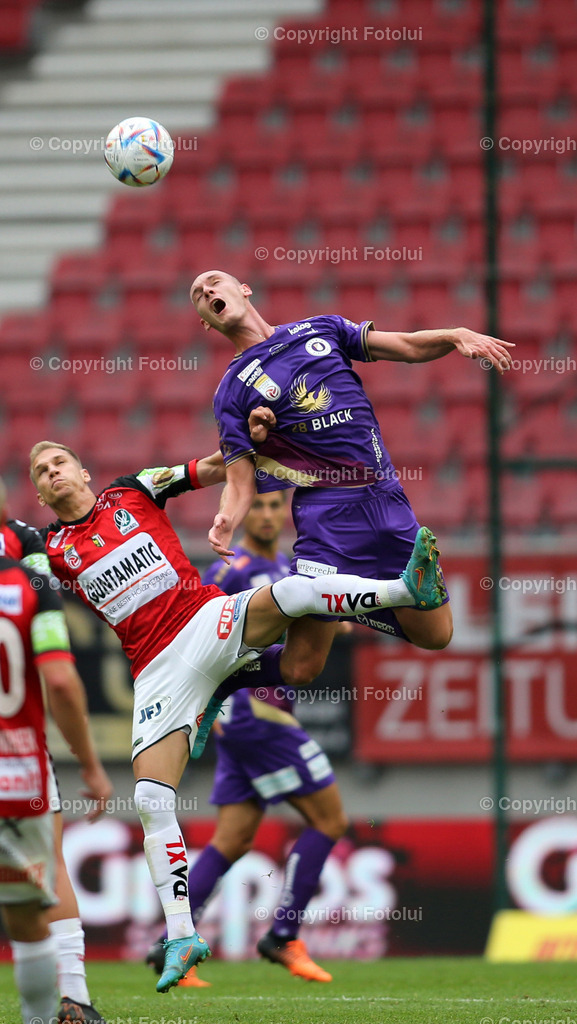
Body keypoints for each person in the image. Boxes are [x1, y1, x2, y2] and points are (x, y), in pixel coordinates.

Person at [29, 440, 445, 993]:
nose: (52, 472)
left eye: (59, 462)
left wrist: (252, 434)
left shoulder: (132, 490)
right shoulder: (52, 551)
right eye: (40, 471)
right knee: (151, 800)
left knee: (295, 593)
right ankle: (181, 936)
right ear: (38, 491)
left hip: (204, 620)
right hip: (156, 670)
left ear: (83, 470)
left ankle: (403, 590)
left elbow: (211, 468)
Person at [190, 269, 514, 688]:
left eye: (214, 281)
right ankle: (226, 679)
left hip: (386, 498)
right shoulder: (231, 391)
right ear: (206, 321)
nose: (208, 290)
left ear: (244, 289)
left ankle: (347, 601)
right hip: (327, 517)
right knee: (301, 669)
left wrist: (454, 335)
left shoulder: (320, 329)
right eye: (199, 294)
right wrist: (226, 520)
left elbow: (407, 346)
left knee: (436, 635)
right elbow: (239, 480)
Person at [146, 490, 347, 985]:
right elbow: (195, 635)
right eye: (257, 505)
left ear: (286, 512)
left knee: (232, 839)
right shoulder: (228, 571)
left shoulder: (287, 565)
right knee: (330, 820)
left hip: (250, 721)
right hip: (253, 715)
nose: (268, 513)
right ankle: (283, 935)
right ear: (241, 513)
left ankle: (170, 943)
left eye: (276, 505)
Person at [0, 477, 111, 1024]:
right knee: (38, 884)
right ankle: (69, 1001)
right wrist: (90, 766)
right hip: (17, 760)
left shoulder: (30, 545)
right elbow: (61, 681)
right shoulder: (29, 574)